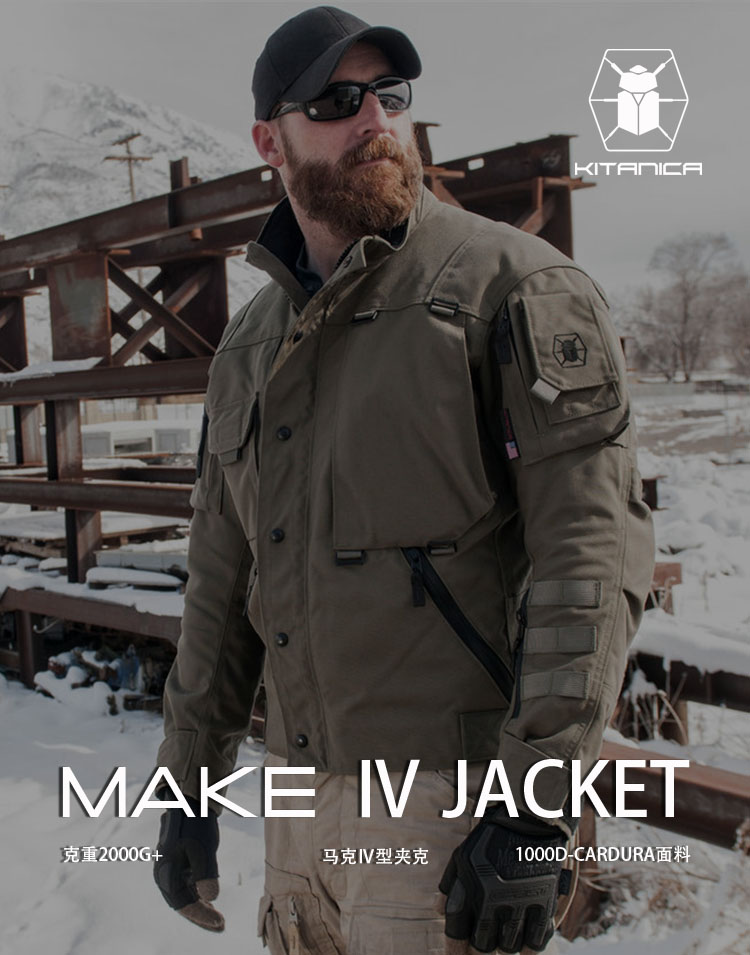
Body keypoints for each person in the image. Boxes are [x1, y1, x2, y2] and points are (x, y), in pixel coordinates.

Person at [152, 6, 655, 954]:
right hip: (298, 810)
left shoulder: (514, 287)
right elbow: (222, 583)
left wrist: (535, 806)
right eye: (336, 102)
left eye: (390, 93)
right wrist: (187, 786)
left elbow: (589, 554)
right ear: (270, 141)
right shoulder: (250, 345)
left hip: (451, 812)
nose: (375, 120)